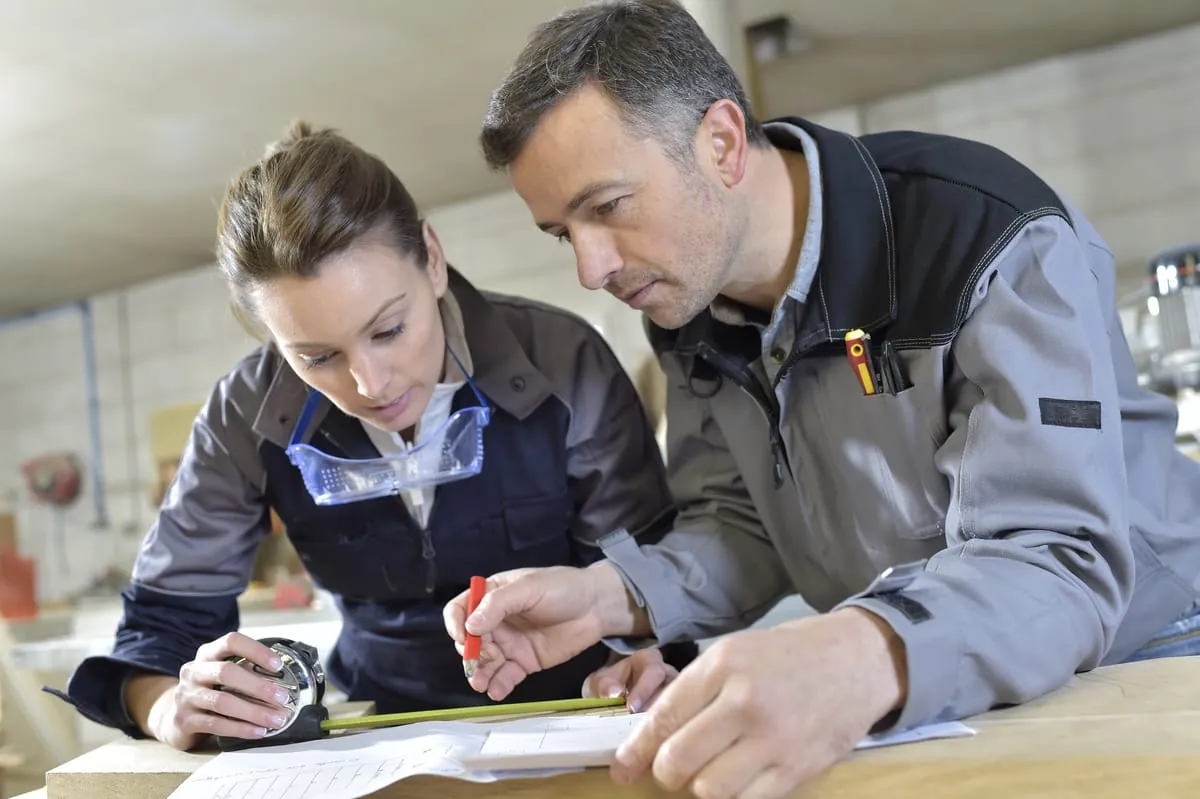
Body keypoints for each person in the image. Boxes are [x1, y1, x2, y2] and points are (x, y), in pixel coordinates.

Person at [444, 1, 1200, 797]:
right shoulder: (684, 308)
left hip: (1145, 652)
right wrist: (608, 596)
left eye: (607, 207)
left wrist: (860, 651)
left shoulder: (987, 234)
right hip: (932, 674)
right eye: (564, 233)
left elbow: (1058, 558)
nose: (591, 270)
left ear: (723, 142)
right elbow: (741, 526)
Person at [51, 121, 693, 752]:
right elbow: (163, 626)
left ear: (433, 262)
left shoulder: (561, 359)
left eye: (388, 330)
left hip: (577, 711)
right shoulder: (244, 414)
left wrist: (645, 655)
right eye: (316, 356)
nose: (369, 383)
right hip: (370, 729)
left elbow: (649, 571)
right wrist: (167, 704)